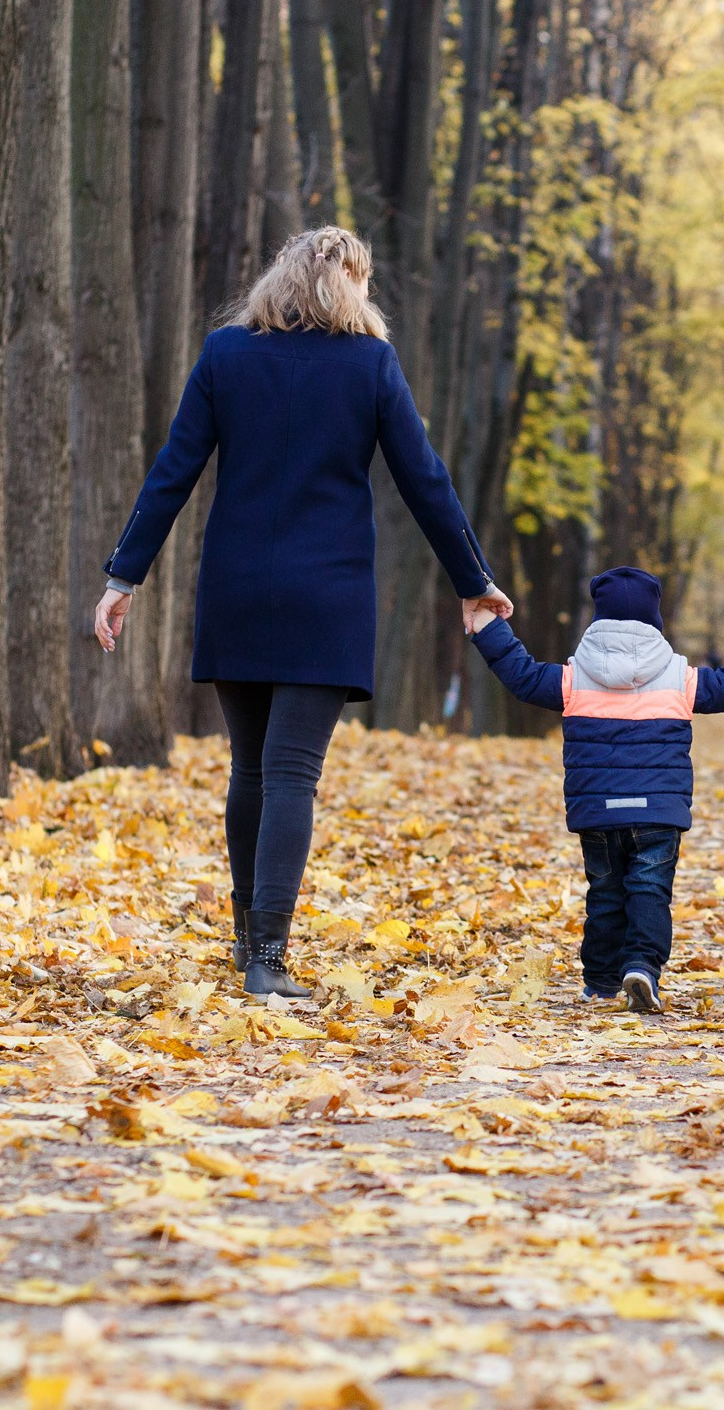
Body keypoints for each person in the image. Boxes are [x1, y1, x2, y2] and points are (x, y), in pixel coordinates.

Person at [93, 227, 513, 1000]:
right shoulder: (370, 366)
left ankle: (247, 939)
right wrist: (472, 579)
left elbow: (173, 471)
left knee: (250, 770)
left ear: (278, 282)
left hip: (237, 590)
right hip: (327, 597)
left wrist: (125, 575)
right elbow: (425, 479)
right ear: (353, 286)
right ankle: (269, 959)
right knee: (291, 774)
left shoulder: (226, 356)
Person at [468, 567, 724, 1013]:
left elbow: (520, 675)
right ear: (654, 619)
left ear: (597, 620)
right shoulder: (679, 676)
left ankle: (599, 982)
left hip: (598, 811)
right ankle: (641, 966)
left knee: (604, 893)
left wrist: (486, 626)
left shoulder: (574, 676)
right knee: (649, 890)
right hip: (658, 812)